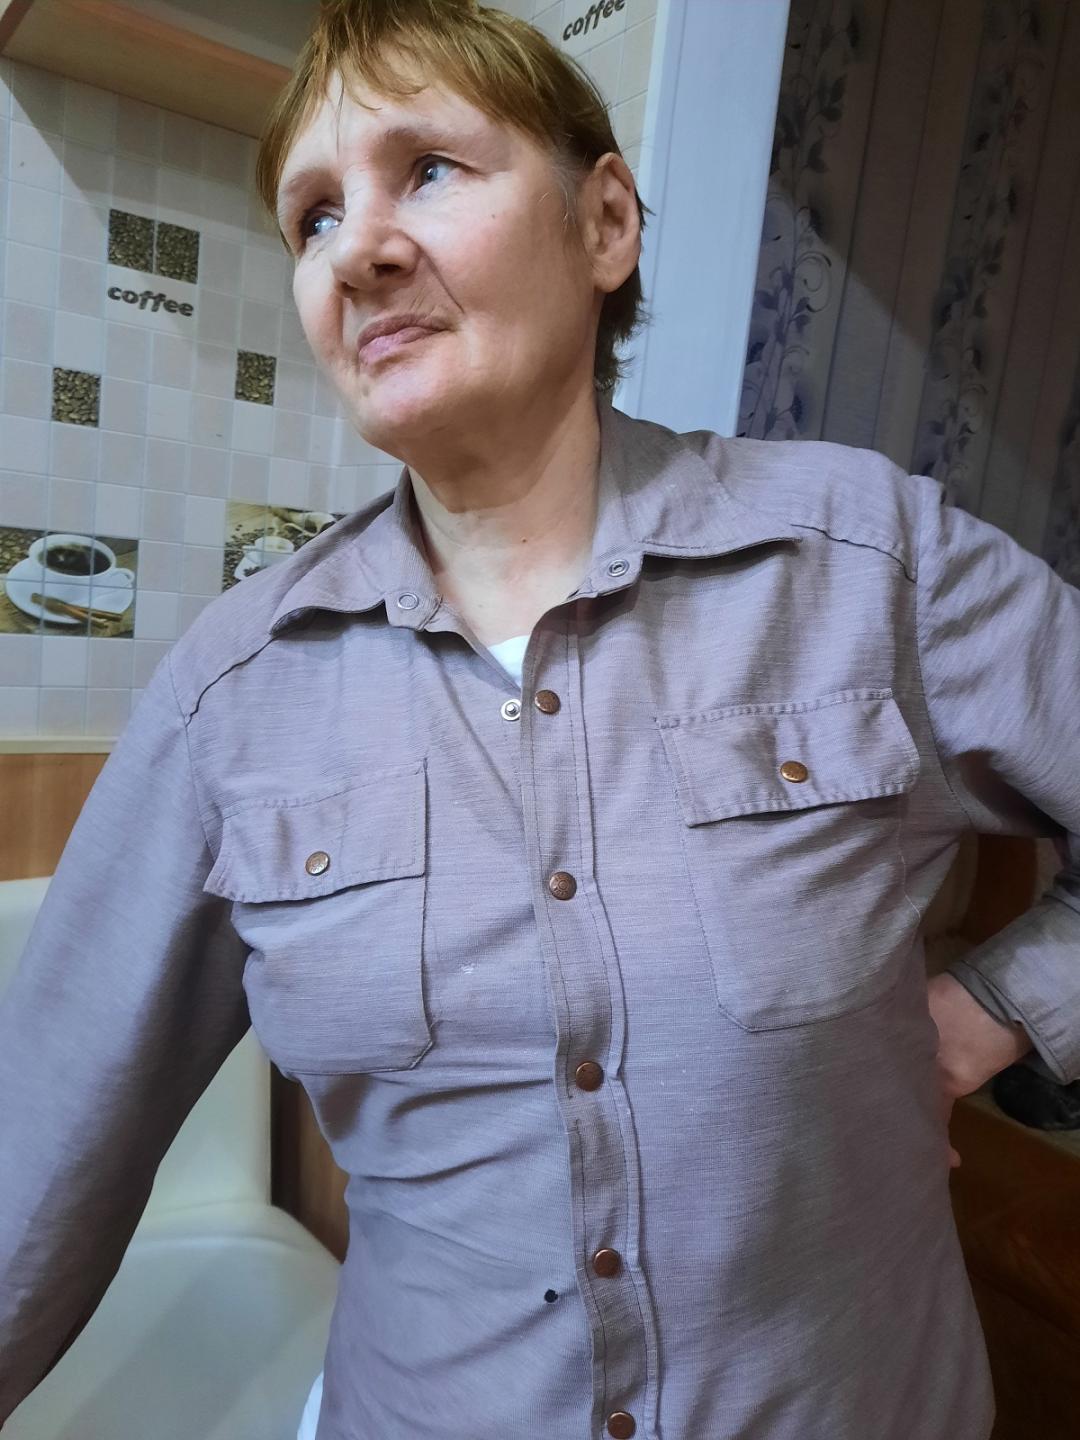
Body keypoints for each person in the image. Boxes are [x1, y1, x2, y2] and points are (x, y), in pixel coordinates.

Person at [2, 2, 1079, 1437]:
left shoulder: (868, 564)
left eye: (429, 170)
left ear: (605, 223)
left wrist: (990, 1013)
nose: (360, 251)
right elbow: (40, 1146)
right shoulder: (232, 695)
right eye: (315, 217)